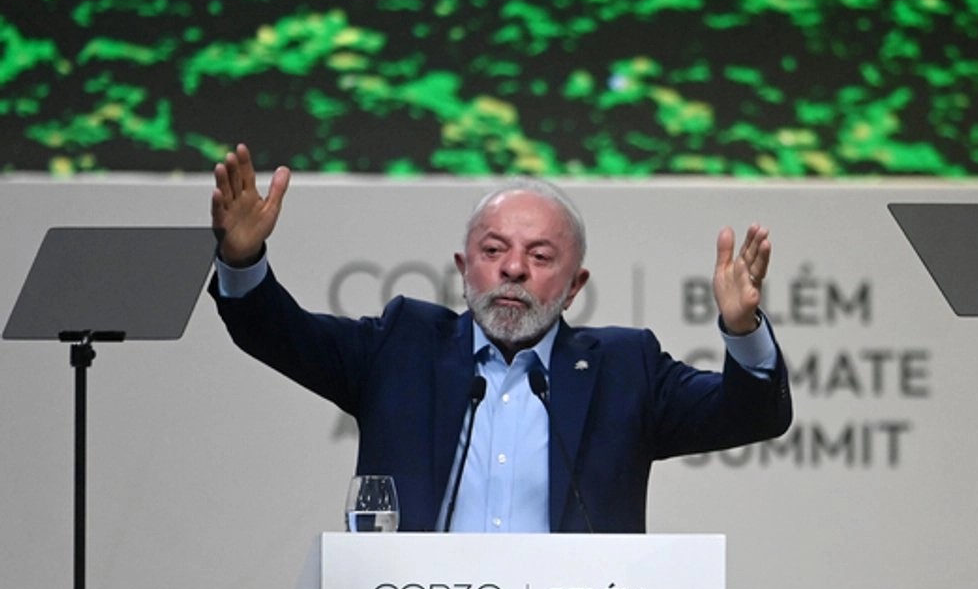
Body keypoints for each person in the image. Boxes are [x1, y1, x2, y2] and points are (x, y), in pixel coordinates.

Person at [209, 143, 792, 533]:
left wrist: (741, 329)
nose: (513, 269)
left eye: (540, 256)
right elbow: (276, 332)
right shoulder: (402, 348)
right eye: (494, 252)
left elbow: (751, 415)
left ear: (573, 286)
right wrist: (242, 258)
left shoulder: (623, 368)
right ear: (465, 269)